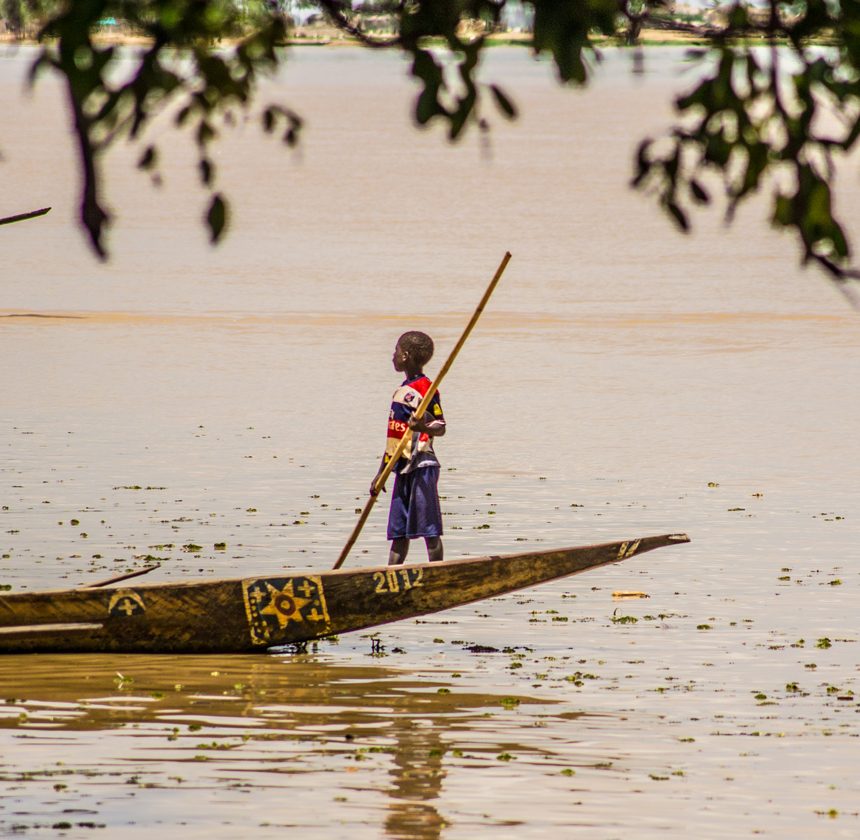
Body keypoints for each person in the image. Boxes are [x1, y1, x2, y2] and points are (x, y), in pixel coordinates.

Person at [370, 331, 446, 565]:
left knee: (429, 528)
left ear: (405, 355)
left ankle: (438, 575)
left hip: (422, 465)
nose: (392, 356)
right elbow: (394, 438)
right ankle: (391, 577)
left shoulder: (426, 389)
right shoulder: (401, 392)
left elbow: (440, 427)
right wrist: (381, 473)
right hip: (400, 467)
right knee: (398, 531)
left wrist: (422, 425)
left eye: (395, 351)